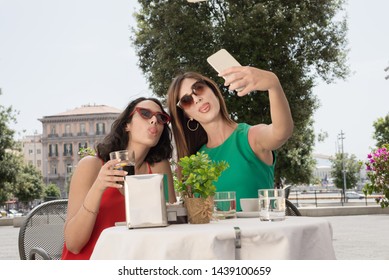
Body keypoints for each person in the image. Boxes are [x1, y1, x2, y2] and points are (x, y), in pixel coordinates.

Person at [61, 97, 176, 260]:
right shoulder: (91, 166)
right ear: (126, 125)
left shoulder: (158, 167)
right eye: (145, 114)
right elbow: (74, 244)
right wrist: (99, 186)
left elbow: (171, 224)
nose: (154, 120)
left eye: (161, 118)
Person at [167, 66, 293, 211]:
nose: (196, 98)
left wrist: (273, 84)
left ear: (212, 90)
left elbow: (281, 132)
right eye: (186, 100)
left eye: (199, 88)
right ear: (186, 114)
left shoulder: (250, 137)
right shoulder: (193, 162)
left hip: (259, 233)